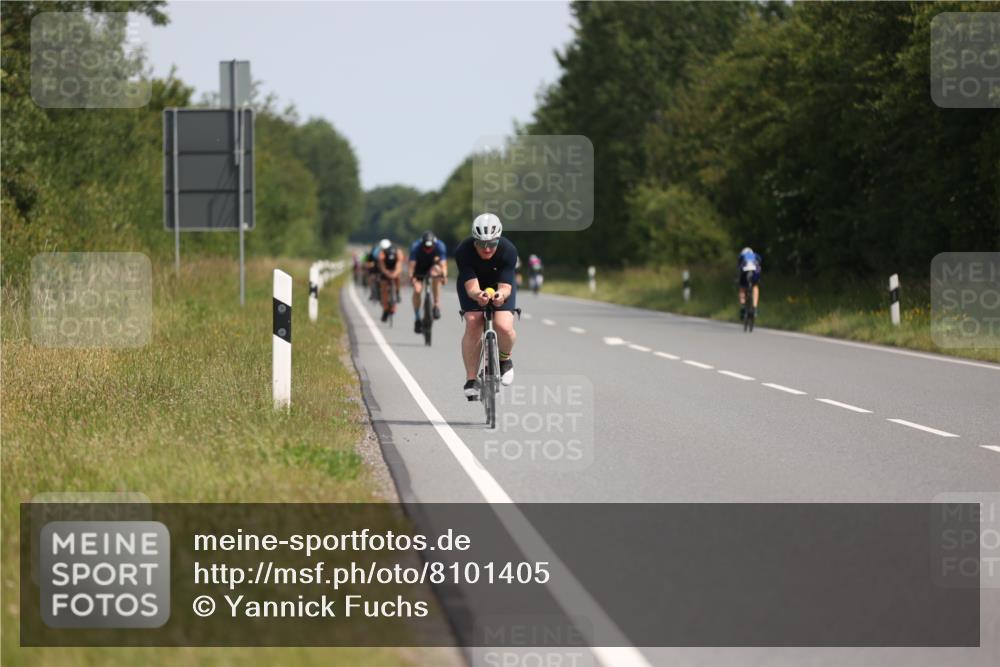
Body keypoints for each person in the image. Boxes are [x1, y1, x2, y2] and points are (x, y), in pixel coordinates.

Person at [455, 213, 518, 399]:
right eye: (482, 244)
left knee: (504, 326)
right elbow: (471, 287)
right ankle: (471, 379)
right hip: (473, 285)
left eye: (492, 243)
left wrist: (500, 296)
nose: (487, 248)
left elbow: (506, 287)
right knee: (474, 321)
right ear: (474, 241)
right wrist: (478, 295)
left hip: (500, 284)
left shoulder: (508, 250)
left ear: (499, 239)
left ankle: (505, 359)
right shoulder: (463, 251)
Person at [409, 230, 448, 334]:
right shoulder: (416, 247)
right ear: (422, 243)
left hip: (432, 268)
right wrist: (411, 277)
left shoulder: (440, 246)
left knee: (437, 274)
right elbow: (412, 265)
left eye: (430, 247)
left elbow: (443, 264)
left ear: (434, 243)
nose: (428, 249)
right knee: (417, 290)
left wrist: (444, 275)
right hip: (419, 268)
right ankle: (417, 317)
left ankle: (436, 304)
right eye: (426, 247)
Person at [376, 238, 403, 322]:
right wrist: (386, 273)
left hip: (395, 269)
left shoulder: (398, 252)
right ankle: (385, 309)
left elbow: (399, 264)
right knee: (383, 287)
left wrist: (395, 273)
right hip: (386, 270)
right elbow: (382, 266)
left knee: (398, 278)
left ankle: (397, 292)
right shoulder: (381, 254)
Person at [738, 246, 762, 321]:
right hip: (755, 271)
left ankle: (742, 306)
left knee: (742, 287)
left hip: (744, 271)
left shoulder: (741, 256)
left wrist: (737, 279)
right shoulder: (755, 255)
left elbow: (739, 268)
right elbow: (760, 263)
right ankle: (754, 308)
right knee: (755, 286)